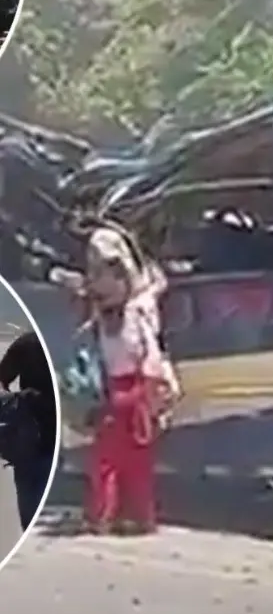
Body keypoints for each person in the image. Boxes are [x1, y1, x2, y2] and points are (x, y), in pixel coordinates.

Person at [82, 227, 171, 535]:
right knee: (138, 462)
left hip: (118, 391)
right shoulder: (138, 311)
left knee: (107, 461)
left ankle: (104, 517)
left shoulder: (103, 317)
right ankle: (141, 518)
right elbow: (156, 284)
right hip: (139, 390)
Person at [0, 330, 58, 531]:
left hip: (27, 434)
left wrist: (12, 403)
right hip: (36, 434)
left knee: (29, 503)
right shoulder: (36, 343)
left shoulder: (27, 342)